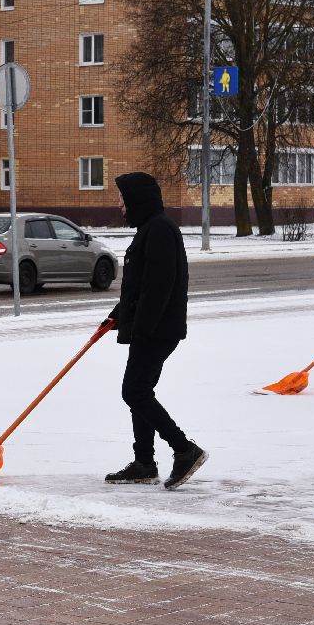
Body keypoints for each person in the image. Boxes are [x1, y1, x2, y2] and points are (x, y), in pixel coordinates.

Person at [104, 171, 208, 490]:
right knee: (139, 393)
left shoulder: (160, 230)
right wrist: (117, 316)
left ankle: (184, 449)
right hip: (151, 328)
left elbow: (159, 288)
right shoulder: (150, 229)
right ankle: (144, 463)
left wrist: (142, 328)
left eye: (122, 198)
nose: (119, 204)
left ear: (136, 199)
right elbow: (139, 288)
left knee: (133, 391)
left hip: (156, 330)